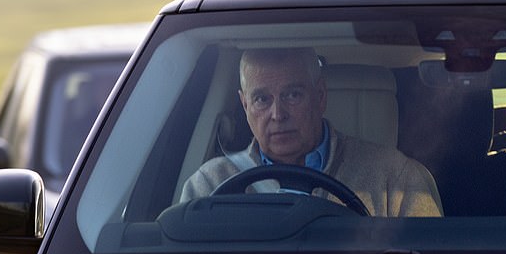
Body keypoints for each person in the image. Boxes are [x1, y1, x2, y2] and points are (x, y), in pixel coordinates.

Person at [181, 47, 443, 217]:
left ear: (320, 97)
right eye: (262, 99)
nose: (277, 114)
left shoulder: (395, 179)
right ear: (244, 105)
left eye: (292, 95)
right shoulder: (210, 185)